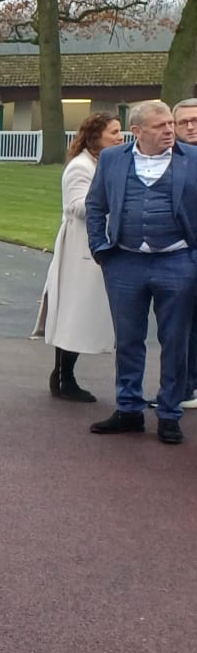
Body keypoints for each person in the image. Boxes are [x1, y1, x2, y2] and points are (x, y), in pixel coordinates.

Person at [84, 99, 196, 445]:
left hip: (177, 261)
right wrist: (101, 250)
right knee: (129, 340)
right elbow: (95, 204)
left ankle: (169, 413)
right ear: (137, 132)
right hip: (125, 261)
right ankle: (129, 408)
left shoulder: (192, 159)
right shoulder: (114, 160)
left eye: (170, 125)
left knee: (176, 341)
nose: (169, 131)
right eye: (160, 126)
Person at [34, 113, 122, 404]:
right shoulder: (81, 166)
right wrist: (114, 197)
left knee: (83, 311)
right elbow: (76, 207)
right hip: (78, 246)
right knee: (75, 310)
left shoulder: (103, 163)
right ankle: (63, 376)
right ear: (96, 136)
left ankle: (63, 374)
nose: (120, 137)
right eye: (114, 132)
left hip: (96, 243)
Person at [178, 98, 197, 412]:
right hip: (182, 255)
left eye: (196, 120)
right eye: (184, 122)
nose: (191, 127)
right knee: (185, 325)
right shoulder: (172, 159)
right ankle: (186, 386)